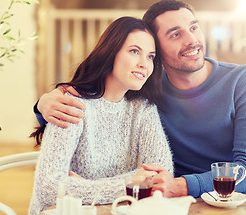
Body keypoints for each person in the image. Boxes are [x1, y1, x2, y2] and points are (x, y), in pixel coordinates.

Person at [34, 0, 246, 199]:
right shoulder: (147, 91)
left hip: (233, 200)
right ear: (158, 51)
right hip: (172, 203)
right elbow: (97, 105)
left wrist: (181, 185)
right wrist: (43, 105)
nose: (192, 40)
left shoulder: (243, 80)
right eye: (176, 34)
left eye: (194, 28)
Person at [29, 16, 173, 215]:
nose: (144, 64)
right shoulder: (71, 103)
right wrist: (129, 183)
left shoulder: (143, 108)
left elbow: (160, 174)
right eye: (134, 51)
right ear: (110, 52)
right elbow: (48, 189)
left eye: (150, 56)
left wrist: (85, 187)